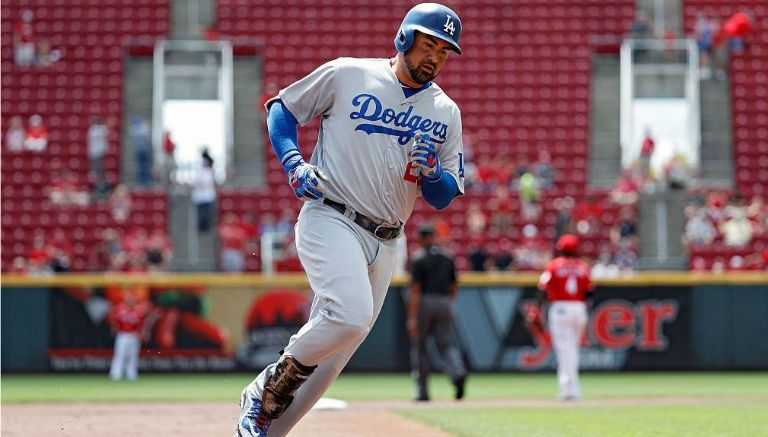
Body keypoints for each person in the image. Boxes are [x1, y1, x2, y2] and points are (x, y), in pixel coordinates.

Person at [236, 3, 465, 436]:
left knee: (337, 353)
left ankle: (265, 430)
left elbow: (444, 195)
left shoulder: (446, 112)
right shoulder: (349, 74)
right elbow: (282, 109)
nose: (435, 56)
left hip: (388, 240)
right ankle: (264, 387)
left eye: (445, 50)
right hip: (332, 216)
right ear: (404, 38)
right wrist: (292, 162)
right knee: (351, 316)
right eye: (429, 43)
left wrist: (435, 173)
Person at [407, 224, 467, 402]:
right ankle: (457, 373)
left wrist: (411, 317)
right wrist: (449, 303)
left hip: (425, 302)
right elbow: (454, 284)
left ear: (422, 238)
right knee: (447, 345)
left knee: (420, 347)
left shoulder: (418, 258)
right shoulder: (447, 257)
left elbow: (416, 289)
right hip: (445, 302)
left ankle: (423, 392)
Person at [533, 234, 594, 401]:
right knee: (572, 349)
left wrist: (536, 309)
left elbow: (543, 289)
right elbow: (590, 292)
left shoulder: (553, 266)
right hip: (579, 308)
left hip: (560, 307)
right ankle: (572, 387)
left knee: (564, 350)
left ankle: (569, 389)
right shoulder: (584, 267)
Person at [108, 291, 151, 381]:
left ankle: (131, 374)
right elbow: (113, 321)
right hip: (122, 334)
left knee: (133, 356)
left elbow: (142, 325)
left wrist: (141, 334)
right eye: (128, 299)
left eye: (132, 299)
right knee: (120, 354)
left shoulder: (139, 310)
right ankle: (116, 374)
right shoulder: (119, 308)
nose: (130, 301)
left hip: (134, 335)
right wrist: (115, 330)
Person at [191, 151, 217, 232]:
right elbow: (198, 182)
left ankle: (206, 227)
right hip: (200, 197)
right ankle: (201, 227)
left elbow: (209, 184)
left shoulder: (210, 172)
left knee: (208, 214)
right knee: (201, 214)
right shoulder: (200, 172)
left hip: (208, 196)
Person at [87, 116, 109, 181]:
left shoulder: (92, 129)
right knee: (96, 166)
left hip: (97, 151)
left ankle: (98, 178)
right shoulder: (97, 129)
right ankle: (95, 178)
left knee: (99, 166)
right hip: (96, 151)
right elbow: (108, 127)